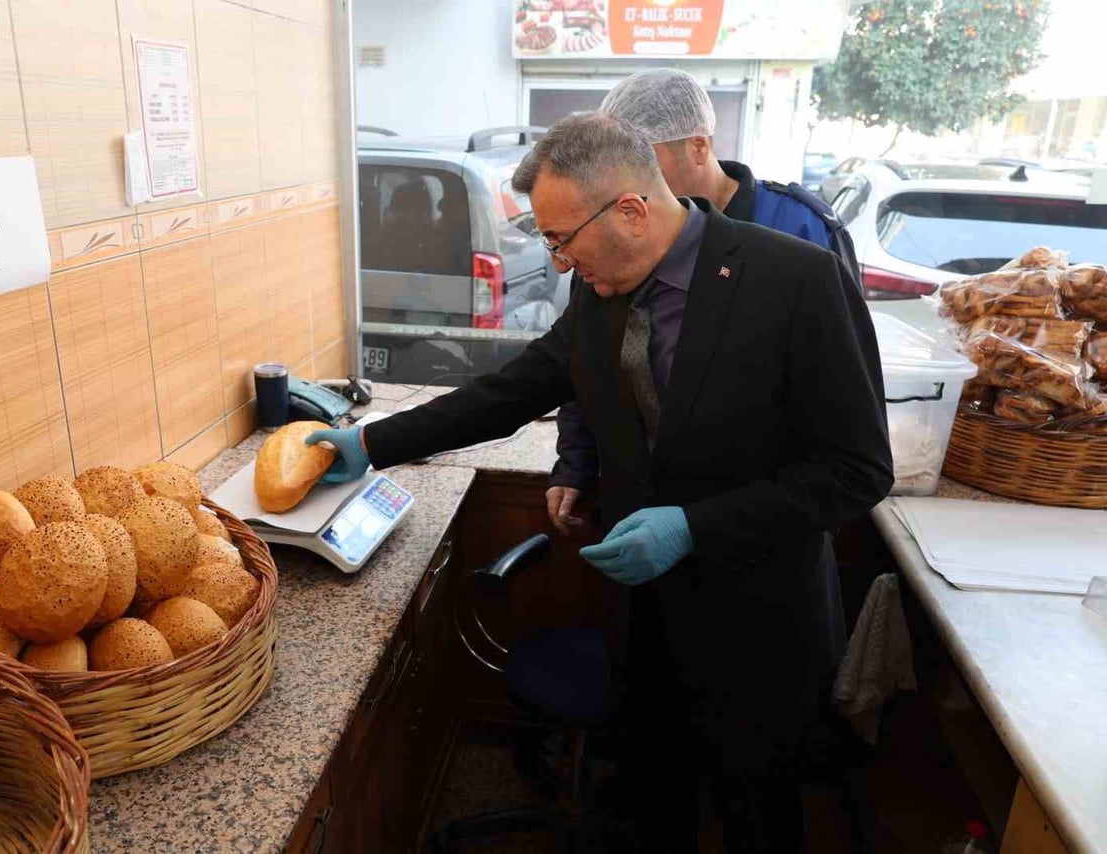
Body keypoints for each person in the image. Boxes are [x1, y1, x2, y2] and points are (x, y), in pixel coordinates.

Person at [308, 112, 892, 852]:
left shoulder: (796, 280)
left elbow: (856, 469)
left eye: (560, 240)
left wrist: (694, 526)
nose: (555, 264)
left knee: (755, 819)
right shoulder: (601, 286)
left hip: (760, 626)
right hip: (645, 610)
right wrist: (370, 443)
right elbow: (516, 390)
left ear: (631, 212)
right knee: (653, 803)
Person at [547, 67, 875, 534]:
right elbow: (586, 360)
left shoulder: (800, 233)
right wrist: (575, 463)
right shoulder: (615, 232)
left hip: (763, 528)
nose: (623, 181)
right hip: (635, 517)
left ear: (698, 147)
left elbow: (845, 407)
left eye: (643, 159)